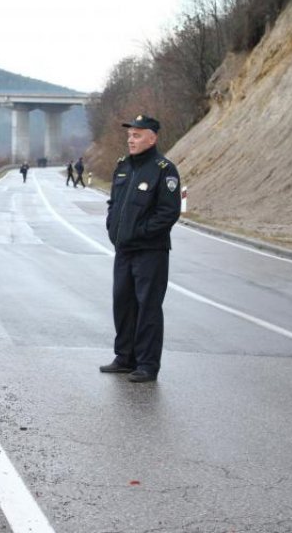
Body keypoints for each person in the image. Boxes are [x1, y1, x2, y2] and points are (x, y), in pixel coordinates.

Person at [100, 115, 181, 383]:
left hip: (150, 251)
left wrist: (140, 233)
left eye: (137, 135)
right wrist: (113, 228)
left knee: (148, 306)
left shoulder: (163, 169)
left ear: (152, 138)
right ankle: (125, 357)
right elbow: (114, 203)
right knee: (122, 302)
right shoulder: (123, 166)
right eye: (129, 136)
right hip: (124, 250)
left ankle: (147, 364)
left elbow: (168, 213)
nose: (130, 140)